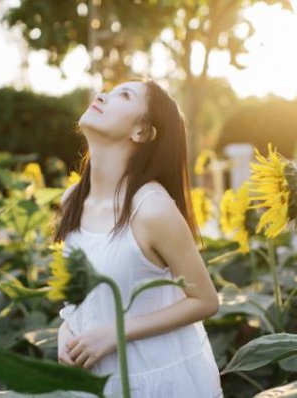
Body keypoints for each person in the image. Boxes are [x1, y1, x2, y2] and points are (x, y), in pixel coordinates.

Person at [53, 78, 224, 398]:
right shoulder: (72, 200)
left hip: (160, 383)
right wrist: (66, 332)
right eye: (110, 90)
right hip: (95, 384)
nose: (103, 95)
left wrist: (116, 333)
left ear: (142, 132)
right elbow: (83, 301)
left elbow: (205, 300)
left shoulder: (152, 210)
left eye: (124, 95)